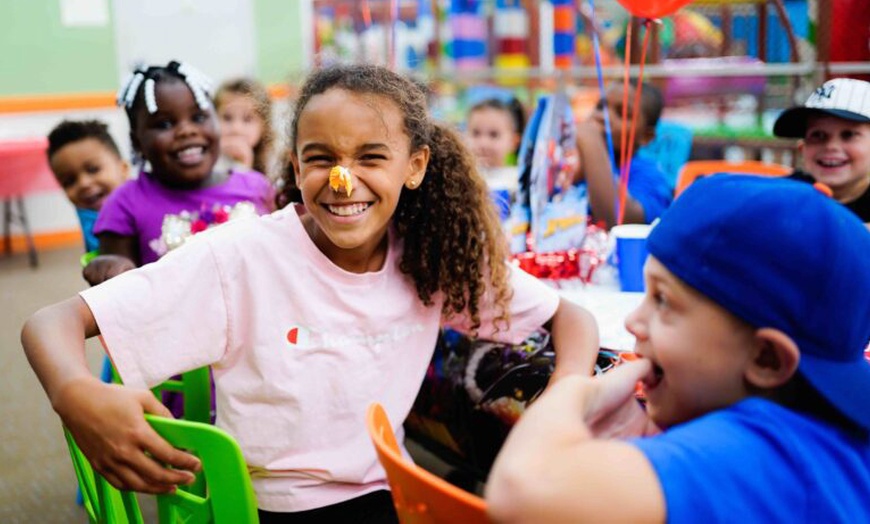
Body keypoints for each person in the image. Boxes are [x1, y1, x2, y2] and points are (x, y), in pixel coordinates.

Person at [22, 64, 599, 522]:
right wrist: (74, 392)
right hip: (269, 504)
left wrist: (566, 392)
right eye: (321, 158)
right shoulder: (241, 255)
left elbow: (569, 317)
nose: (342, 180)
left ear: (415, 166)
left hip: (381, 487)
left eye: (371, 156)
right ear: (296, 167)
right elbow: (50, 322)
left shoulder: (429, 256)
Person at [486, 174, 870, 523]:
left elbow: (522, 490)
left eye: (663, 301)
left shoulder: (755, 453)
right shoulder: (829, 434)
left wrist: (575, 390)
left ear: (766, 358)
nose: (632, 322)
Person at [84, 61, 274, 286]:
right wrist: (111, 268)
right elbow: (118, 296)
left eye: (198, 117)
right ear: (137, 142)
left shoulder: (257, 187)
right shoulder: (124, 205)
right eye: (164, 124)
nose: (187, 130)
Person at [572, 81, 673, 228]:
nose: (603, 117)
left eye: (622, 114)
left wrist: (592, 141)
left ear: (646, 136)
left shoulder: (650, 175)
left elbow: (621, 221)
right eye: (601, 107)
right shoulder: (579, 166)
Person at [773, 77, 870, 225]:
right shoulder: (783, 195)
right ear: (802, 149)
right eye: (818, 135)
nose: (831, 146)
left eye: (848, 135)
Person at [46, 119, 129, 254]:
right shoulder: (90, 222)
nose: (84, 183)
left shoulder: (149, 203)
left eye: (93, 169)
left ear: (123, 169)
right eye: (69, 181)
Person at [214, 77, 275, 177]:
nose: (236, 129)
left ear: (264, 126)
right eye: (227, 118)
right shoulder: (207, 162)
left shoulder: (272, 166)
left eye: (247, 119)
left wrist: (244, 166)